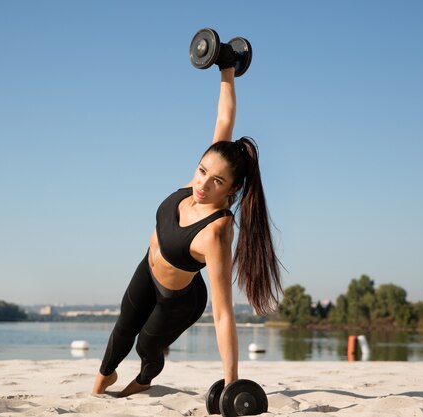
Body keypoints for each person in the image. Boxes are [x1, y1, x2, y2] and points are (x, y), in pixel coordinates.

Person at [91, 43, 283, 397]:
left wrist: (231, 385)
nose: (203, 184)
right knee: (122, 330)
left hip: (179, 299)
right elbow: (224, 119)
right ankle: (100, 386)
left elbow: (224, 314)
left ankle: (146, 378)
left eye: (217, 182)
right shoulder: (196, 181)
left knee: (146, 348)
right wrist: (227, 68)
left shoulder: (216, 231)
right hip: (147, 270)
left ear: (233, 189)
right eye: (202, 170)